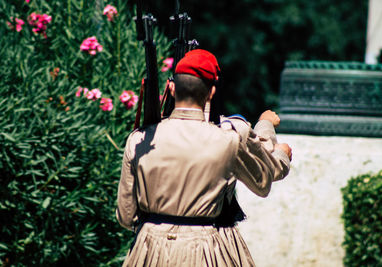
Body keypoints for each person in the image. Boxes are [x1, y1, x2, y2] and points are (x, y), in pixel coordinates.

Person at [116, 49, 292, 266]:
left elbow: (126, 216)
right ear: (211, 93)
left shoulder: (138, 139)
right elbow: (263, 183)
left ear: (171, 89)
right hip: (203, 250)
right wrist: (281, 154)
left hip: (147, 250)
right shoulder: (228, 140)